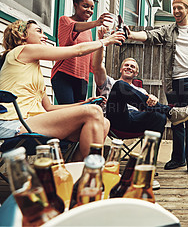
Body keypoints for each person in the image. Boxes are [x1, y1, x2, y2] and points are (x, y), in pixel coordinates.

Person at [0, 19, 125, 160]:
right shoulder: (22, 51)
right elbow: (77, 51)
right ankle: (92, 175)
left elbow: (48, 107)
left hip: (33, 121)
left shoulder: (34, 70)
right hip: (13, 123)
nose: (45, 36)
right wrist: (105, 41)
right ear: (22, 35)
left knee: (104, 122)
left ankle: (76, 173)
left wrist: (84, 104)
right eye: (38, 31)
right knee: (94, 112)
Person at [123, 0, 188, 176]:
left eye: (180, 8)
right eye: (174, 8)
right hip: (173, 82)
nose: (176, 11)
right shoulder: (168, 30)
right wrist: (131, 35)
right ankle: (178, 158)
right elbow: (149, 35)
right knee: (176, 122)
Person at [91, 30, 188, 140]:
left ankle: (150, 156)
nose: (129, 67)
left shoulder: (140, 91)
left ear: (136, 73)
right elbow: (97, 66)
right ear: (121, 69)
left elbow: (150, 105)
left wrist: (154, 99)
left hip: (135, 121)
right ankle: (169, 111)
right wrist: (102, 42)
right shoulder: (110, 82)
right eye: (126, 65)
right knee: (119, 85)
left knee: (159, 116)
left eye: (132, 67)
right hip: (115, 119)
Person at [51, 0, 113, 104]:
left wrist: (100, 85)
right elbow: (75, 28)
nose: (89, 11)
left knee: (79, 113)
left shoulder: (89, 32)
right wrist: (97, 22)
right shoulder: (65, 20)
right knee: (69, 113)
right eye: (85, 6)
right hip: (64, 75)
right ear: (75, 5)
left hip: (82, 79)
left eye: (92, 8)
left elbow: (92, 62)